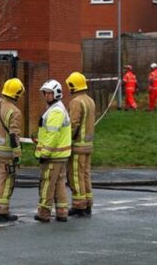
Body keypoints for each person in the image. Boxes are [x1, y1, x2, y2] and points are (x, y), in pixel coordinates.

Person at [0, 78, 24, 223]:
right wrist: (17, 154)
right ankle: (1, 212)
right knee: (5, 181)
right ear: (17, 94)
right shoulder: (15, 112)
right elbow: (14, 135)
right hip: (5, 153)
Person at [33, 79, 71, 223]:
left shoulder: (55, 111)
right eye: (45, 93)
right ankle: (62, 212)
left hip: (53, 156)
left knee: (47, 184)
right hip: (60, 155)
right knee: (59, 183)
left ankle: (44, 213)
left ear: (56, 94)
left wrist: (44, 153)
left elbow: (52, 135)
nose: (46, 96)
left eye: (49, 93)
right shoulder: (57, 108)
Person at [65, 72, 96, 217]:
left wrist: (66, 139)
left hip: (78, 146)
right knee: (85, 175)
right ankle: (88, 203)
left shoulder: (76, 102)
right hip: (88, 145)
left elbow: (73, 124)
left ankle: (79, 206)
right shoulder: (90, 100)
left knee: (76, 176)